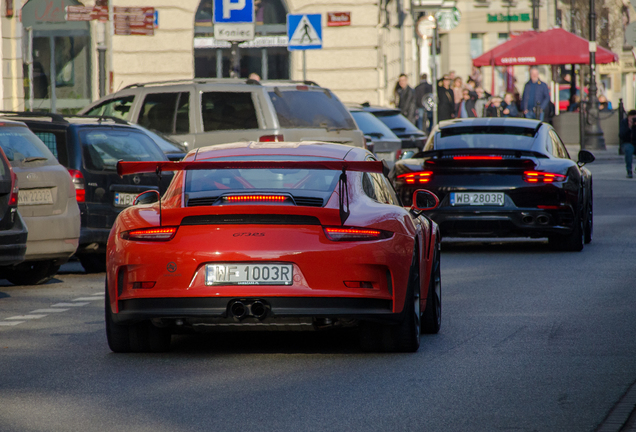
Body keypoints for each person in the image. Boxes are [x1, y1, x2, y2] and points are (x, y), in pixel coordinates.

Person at [619, 109, 636, 178]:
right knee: (629, 150)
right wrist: (629, 127)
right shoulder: (624, 123)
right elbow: (621, 135)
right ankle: (629, 170)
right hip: (627, 143)